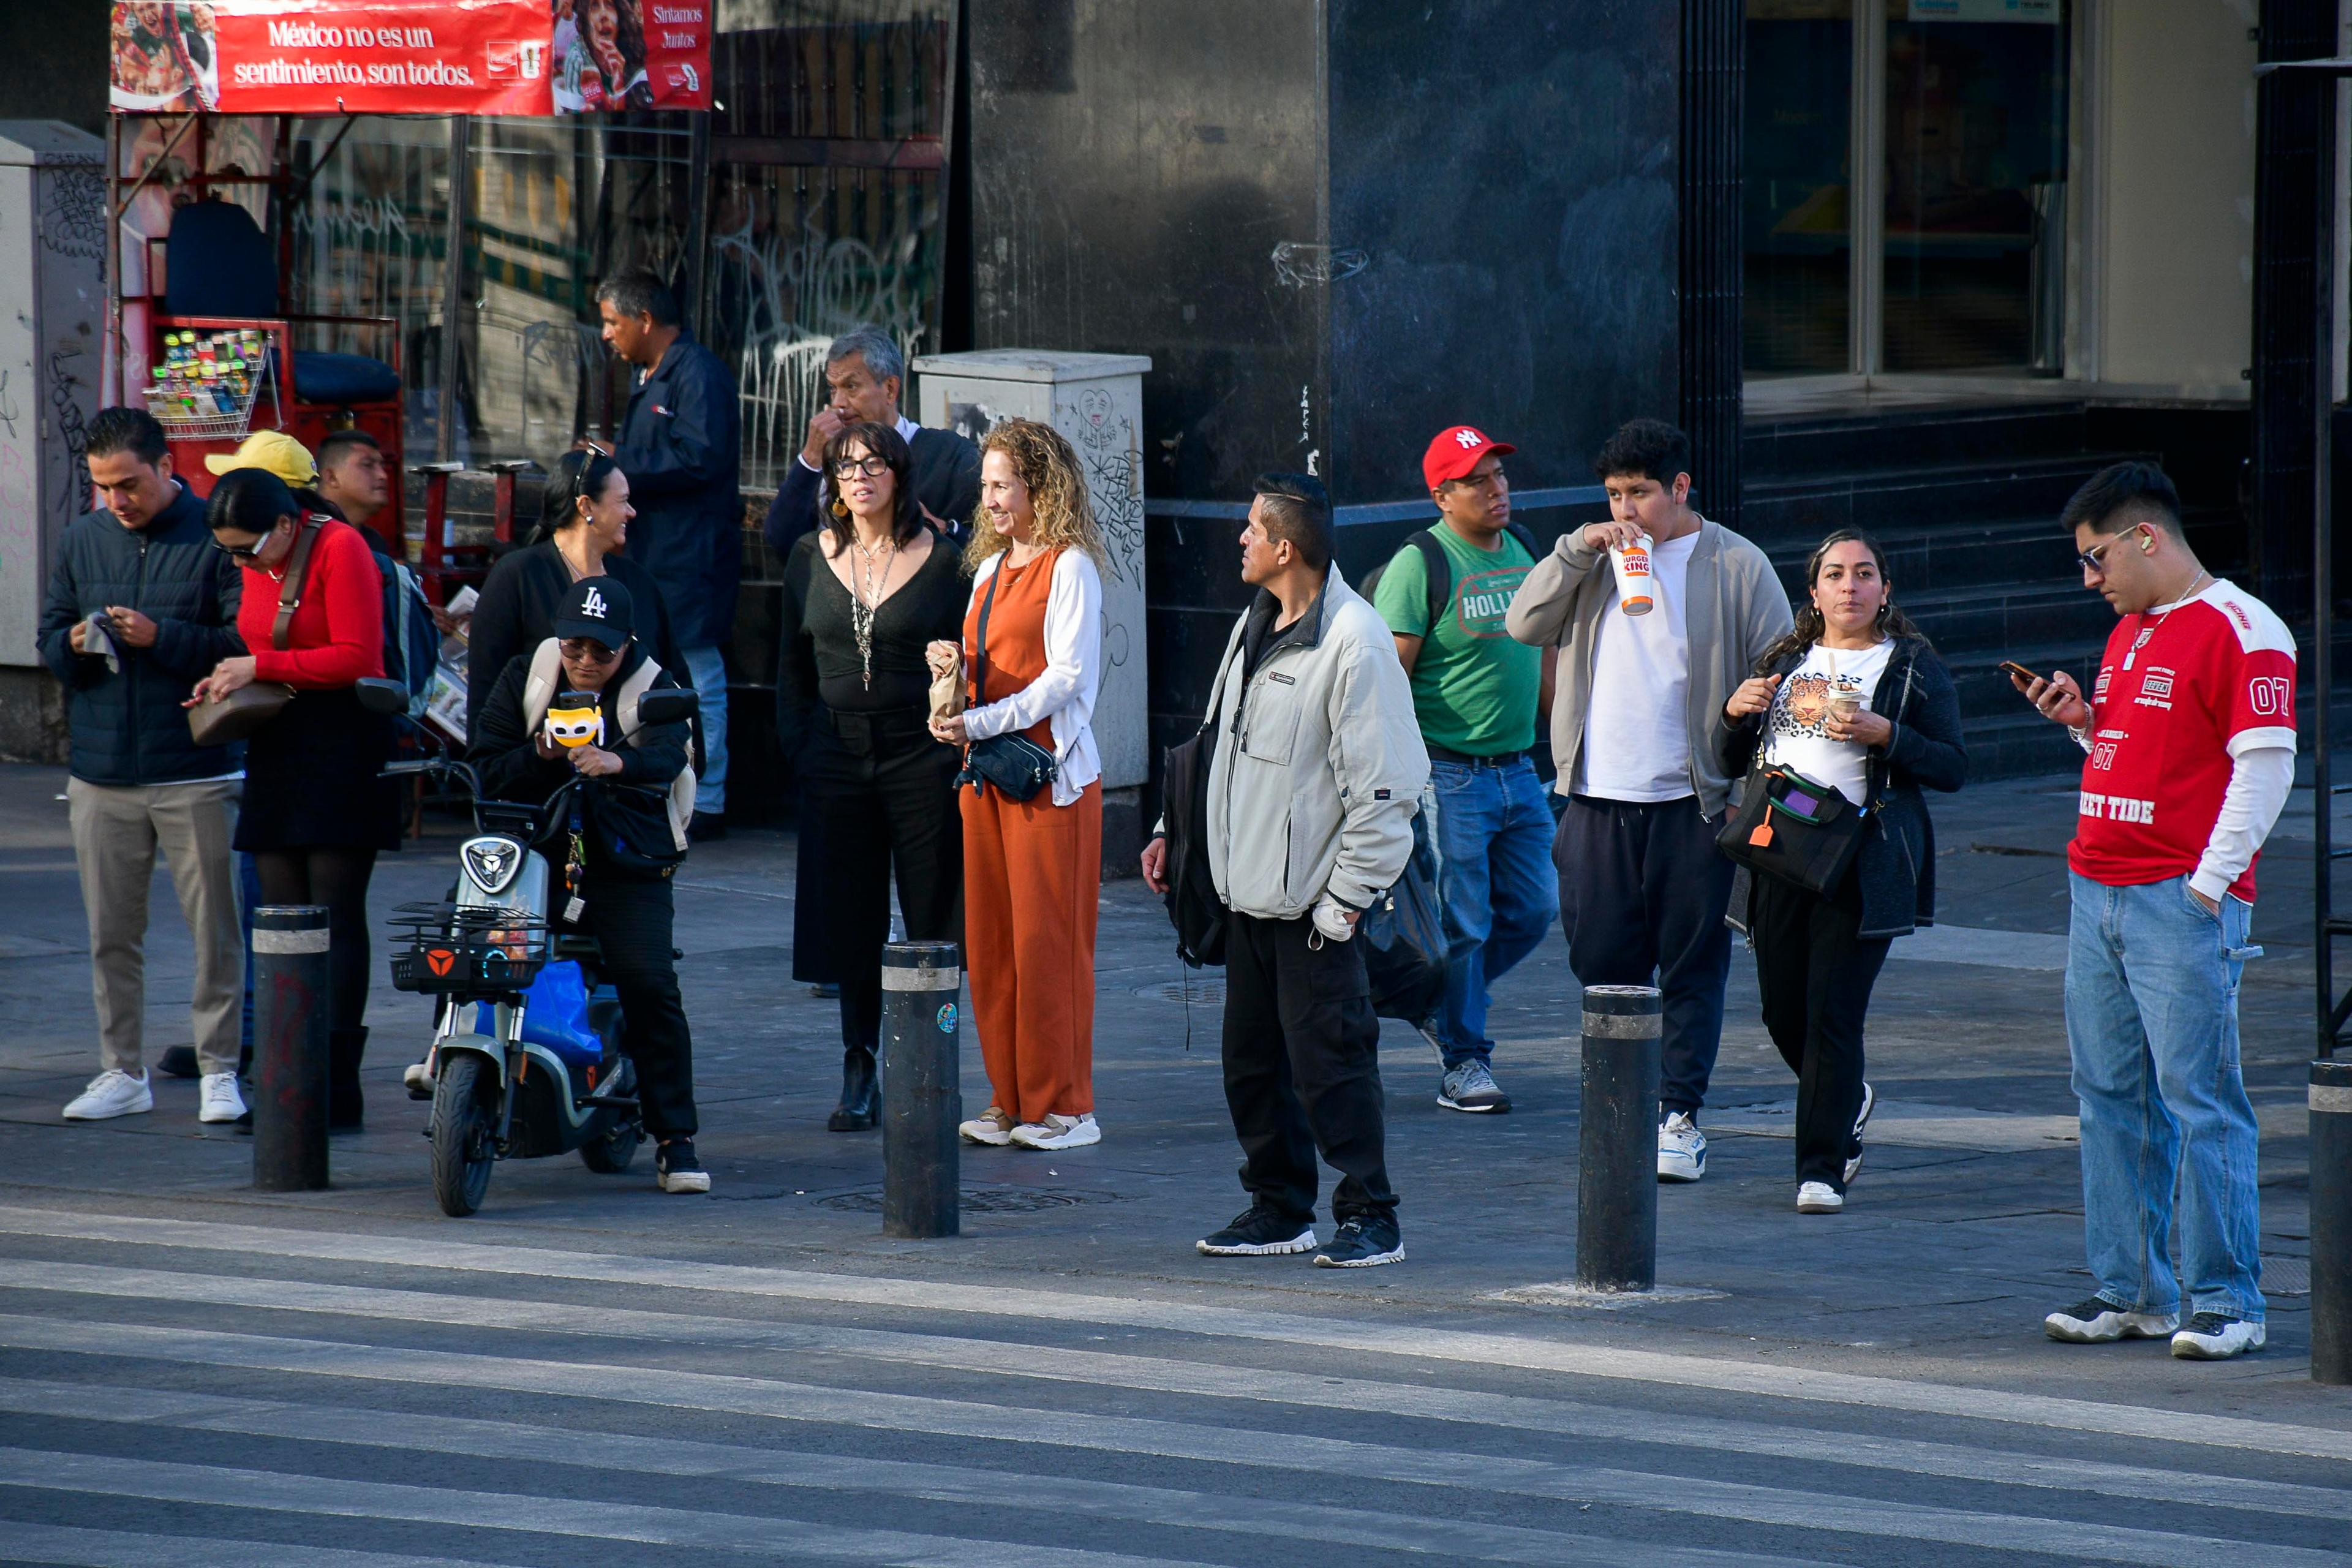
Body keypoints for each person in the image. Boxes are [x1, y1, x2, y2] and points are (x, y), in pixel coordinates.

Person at [2015, 462, 2292, 1362]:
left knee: (2199, 1100)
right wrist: (2082, 724)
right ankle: (2131, 1291)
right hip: (2099, 886)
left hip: (2177, 898)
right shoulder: (2131, 632)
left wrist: (2210, 887)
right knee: (2108, 1098)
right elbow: (2149, 752)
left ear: (2147, 537)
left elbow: (2265, 766)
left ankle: (2226, 1300)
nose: (2089, 579)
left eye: (2096, 558)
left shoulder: (2244, 629)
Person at [1141, 473, 1427, 1268]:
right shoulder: (1254, 621)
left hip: (1313, 912)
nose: (1240, 540)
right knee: (1254, 1069)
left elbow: (1388, 788)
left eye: (1251, 529)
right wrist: (1175, 827)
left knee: (1331, 1068)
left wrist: (1343, 905)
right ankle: (1279, 1208)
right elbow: (1216, 741)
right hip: (1246, 900)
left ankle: (1372, 1215)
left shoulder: (1355, 641)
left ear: (1285, 547)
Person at [1505, 418, 1791, 1183]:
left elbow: (1782, 678)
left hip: (1694, 801)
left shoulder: (1735, 562)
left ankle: (1678, 1114)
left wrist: (1743, 794)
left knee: (1693, 963)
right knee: (1601, 959)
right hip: (1597, 796)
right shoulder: (1594, 558)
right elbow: (1522, 623)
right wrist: (1578, 547)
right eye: (1614, 494)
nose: (1628, 509)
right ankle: (1619, 1105)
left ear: (1681, 488)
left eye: (1640, 493)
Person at [1715, 530, 1964, 1214]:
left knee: (1832, 1015)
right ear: (1814, 590)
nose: (1849, 586)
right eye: (1835, 574)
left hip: (1860, 858)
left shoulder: (1911, 664)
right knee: (1780, 1009)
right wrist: (1734, 714)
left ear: (1886, 588)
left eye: (1864, 574)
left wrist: (1890, 736)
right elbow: (1733, 750)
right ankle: (1848, 1097)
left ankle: (1821, 1167)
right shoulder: (1788, 657)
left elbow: (1952, 765)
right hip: (1778, 848)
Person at [37, 408, 246, 1125]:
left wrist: (164, 637)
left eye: (128, 483)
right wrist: (71, 641)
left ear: (166, 468)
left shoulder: (214, 536)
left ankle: (221, 1068)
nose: (117, 499)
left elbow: (239, 642)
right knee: (110, 935)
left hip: (195, 765)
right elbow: (47, 640)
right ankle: (120, 1070)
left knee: (215, 930)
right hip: (100, 770)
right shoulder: (82, 540)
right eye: (103, 487)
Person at [471, 575, 710, 1194]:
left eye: (601, 651)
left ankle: (674, 1138)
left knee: (649, 983)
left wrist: (616, 761)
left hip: (628, 862)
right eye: (574, 646)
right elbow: (484, 763)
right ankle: (453, 1055)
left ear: (627, 645)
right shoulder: (529, 673)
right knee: (470, 942)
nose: (584, 662)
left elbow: (672, 754)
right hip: (539, 853)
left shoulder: (653, 684)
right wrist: (539, 755)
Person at [190, 468, 399, 1131]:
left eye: (247, 549)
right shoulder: (258, 555)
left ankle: (336, 1085)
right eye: (228, 552)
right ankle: (288, 1077)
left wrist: (261, 667)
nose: (240, 562)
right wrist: (230, 677)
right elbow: (261, 643)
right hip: (280, 738)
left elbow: (358, 656)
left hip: (343, 740)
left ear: (284, 525)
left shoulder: (340, 547)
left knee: (334, 913)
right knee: (280, 916)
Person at [775, 422, 966, 1131]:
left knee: (931, 918)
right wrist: (800, 745)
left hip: (919, 755)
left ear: (900, 474)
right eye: (845, 466)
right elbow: (789, 668)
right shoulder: (807, 555)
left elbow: (970, 656)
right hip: (834, 756)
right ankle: (860, 1065)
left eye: (874, 463)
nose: (859, 477)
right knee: (849, 921)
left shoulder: (945, 562)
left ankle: (929, 1065)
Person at [928, 419, 1107, 1152]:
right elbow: (988, 667)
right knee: (996, 942)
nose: (991, 500)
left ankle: (1066, 1105)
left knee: (1051, 943)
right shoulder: (987, 572)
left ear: (1041, 485)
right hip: (989, 778)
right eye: (986, 487)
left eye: (1003, 484)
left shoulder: (1072, 568)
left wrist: (984, 718)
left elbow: (1068, 680)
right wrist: (951, 668)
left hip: (1049, 779)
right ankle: (1011, 1097)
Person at [1371, 425, 1556, 1115]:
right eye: (1478, 480)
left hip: (1519, 771)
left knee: (1535, 910)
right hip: (1449, 776)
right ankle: (1465, 1062)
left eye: (1500, 475)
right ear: (1443, 496)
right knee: (1466, 923)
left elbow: (1543, 655)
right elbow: (1391, 677)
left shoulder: (1526, 549)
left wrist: (1567, 741)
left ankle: (1438, 998)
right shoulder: (1421, 562)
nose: (1497, 489)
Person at [597, 269, 741, 839]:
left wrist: (621, 455)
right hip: (653, 553)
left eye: (612, 322)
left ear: (645, 320)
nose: (607, 334)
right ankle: (670, 784)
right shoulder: (648, 375)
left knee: (700, 674)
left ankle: (711, 797)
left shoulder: (697, 372)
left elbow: (700, 456)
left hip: (692, 554)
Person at [465, 448, 686, 740]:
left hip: (631, 773)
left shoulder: (638, 582)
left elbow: (675, 682)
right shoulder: (517, 577)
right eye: (622, 501)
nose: (631, 512)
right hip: (538, 771)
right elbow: (485, 690)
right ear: (586, 506)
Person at [761, 325, 982, 556]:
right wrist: (810, 460)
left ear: (890, 389)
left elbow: (992, 551)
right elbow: (781, 540)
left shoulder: (948, 456)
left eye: (851, 387)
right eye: (833, 389)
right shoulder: (827, 458)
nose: (839, 403)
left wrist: (940, 529)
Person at [314, 429, 393, 540]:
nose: (383, 475)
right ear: (331, 477)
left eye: (382, 466)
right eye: (368, 465)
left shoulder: (374, 541)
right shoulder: (307, 537)